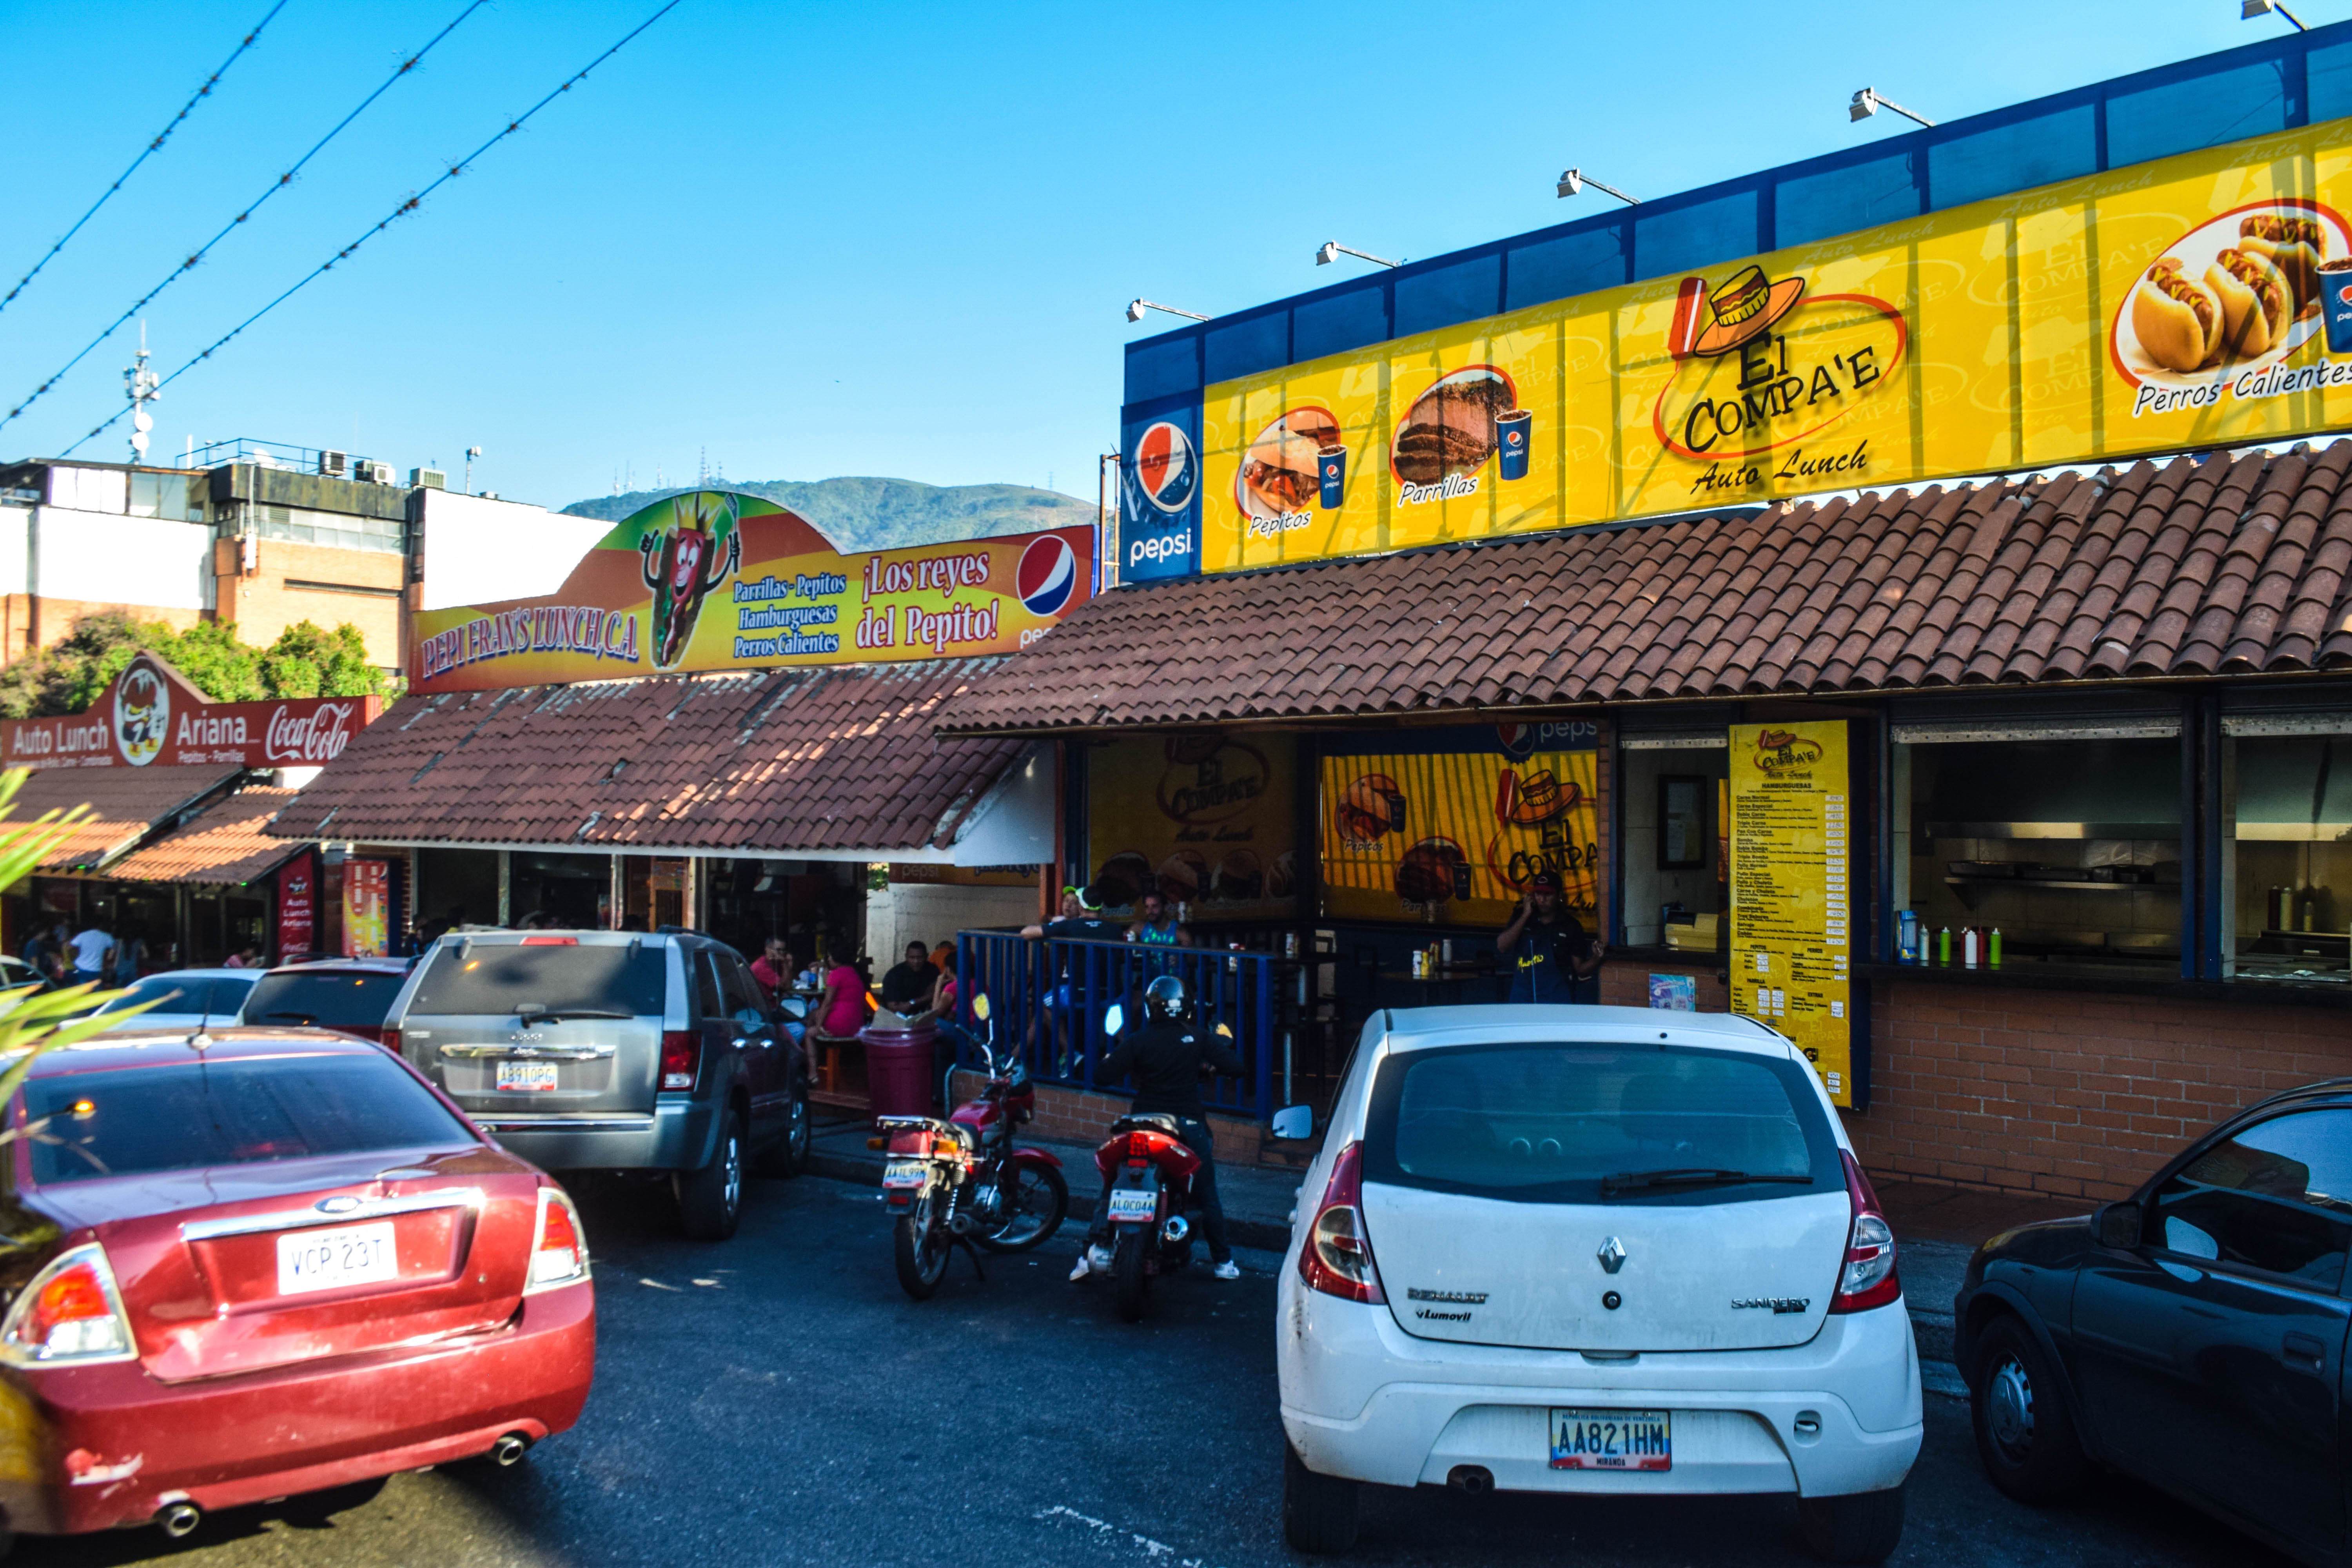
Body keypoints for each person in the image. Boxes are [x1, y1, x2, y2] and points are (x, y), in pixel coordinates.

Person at [1071, 974, 1243, 1282]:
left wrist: (1118, 1056)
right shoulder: (1199, 1038)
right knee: (1206, 1191)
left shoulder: (1138, 1040)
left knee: (1112, 1185)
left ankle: (1087, 1256)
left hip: (1143, 1122)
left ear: (1152, 1007)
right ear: (1187, 1007)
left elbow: (1101, 1075)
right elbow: (1237, 1068)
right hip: (1187, 1124)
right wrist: (1208, 1068)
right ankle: (1223, 1262)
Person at [1020, 885, 1123, 1073]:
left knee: (1045, 1005)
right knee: (1120, 1013)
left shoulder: (1070, 926)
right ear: (1101, 907)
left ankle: (1070, 1053)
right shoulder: (1115, 930)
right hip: (1108, 995)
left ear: (1081, 907)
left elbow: (1027, 933)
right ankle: (1135, 1061)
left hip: (1078, 994)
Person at [1495, 871, 1603, 1004]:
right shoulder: (1521, 916)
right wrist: (1525, 916)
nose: (1542, 899)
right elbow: (1502, 946)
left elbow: (1580, 970)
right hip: (1522, 996)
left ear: (1559, 896)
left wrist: (1596, 958)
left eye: (1548, 894)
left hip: (1556, 998)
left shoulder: (1570, 926)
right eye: (1538, 894)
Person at [1127, 889, 1190, 975]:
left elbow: (1194, 957)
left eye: (1155, 906)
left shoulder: (1178, 931)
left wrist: (1179, 958)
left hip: (1173, 982)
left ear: (1165, 908)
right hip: (1148, 981)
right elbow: (1124, 945)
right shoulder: (1139, 927)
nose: (1150, 911)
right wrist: (1136, 951)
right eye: (1147, 907)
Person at [879, 940, 938, 1017]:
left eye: (920, 958)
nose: (916, 962)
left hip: (924, 1017)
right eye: (912, 958)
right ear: (906, 957)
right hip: (898, 1019)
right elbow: (893, 1007)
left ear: (927, 957)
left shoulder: (933, 970)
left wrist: (912, 1003)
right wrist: (924, 999)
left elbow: (935, 994)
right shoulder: (894, 975)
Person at [750, 937, 794, 1008]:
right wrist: (785, 965)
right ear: (768, 950)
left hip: (777, 1003)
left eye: (784, 951)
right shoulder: (761, 966)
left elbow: (788, 986)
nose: (782, 953)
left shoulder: (776, 963)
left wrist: (789, 966)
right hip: (766, 1008)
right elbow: (783, 987)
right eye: (779, 950)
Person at [66, 922, 114, 986]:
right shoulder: (107, 937)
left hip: (81, 967)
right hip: (97, 968)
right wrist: (108, 961)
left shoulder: (82, 935)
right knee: (95, 991)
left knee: (82, 990)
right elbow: (113, 949)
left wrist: (75, 957)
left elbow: (69, 947)